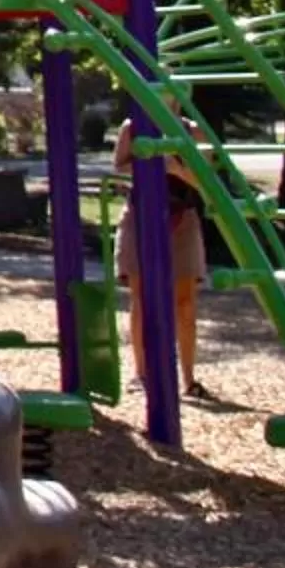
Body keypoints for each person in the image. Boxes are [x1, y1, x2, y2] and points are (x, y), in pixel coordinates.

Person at [113, 117, 209, 399]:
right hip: (140, 215)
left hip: (183, 217)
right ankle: (141, 374)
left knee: (185, 301)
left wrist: (175, 168)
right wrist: (151, 163)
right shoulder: (132, 127)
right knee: (141, 298)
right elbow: (119, 166)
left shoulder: (192, 130)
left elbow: (204, 179)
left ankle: (189, 379)